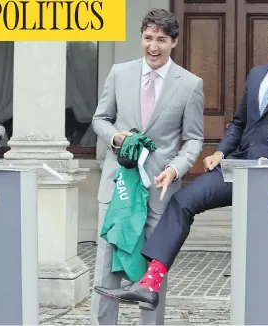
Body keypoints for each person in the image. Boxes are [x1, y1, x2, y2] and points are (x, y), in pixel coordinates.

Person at [94, 7, 268, 311]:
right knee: (182, 201)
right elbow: (241, 123)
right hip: (238, 168)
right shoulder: (258, 75)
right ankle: (149, 283)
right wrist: (221, 152)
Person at [90, 8, 204, 325]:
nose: (153, 46)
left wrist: (176, 169)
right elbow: (100, 119)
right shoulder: (119, 73)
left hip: (159, 189)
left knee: (153, 270)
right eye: (148, 38)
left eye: (161, 40)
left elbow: (194, 139)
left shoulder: (190, 85)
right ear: (142, 38)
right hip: (119, 187)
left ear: (174, 42)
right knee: (106, 264)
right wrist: (115, 139)